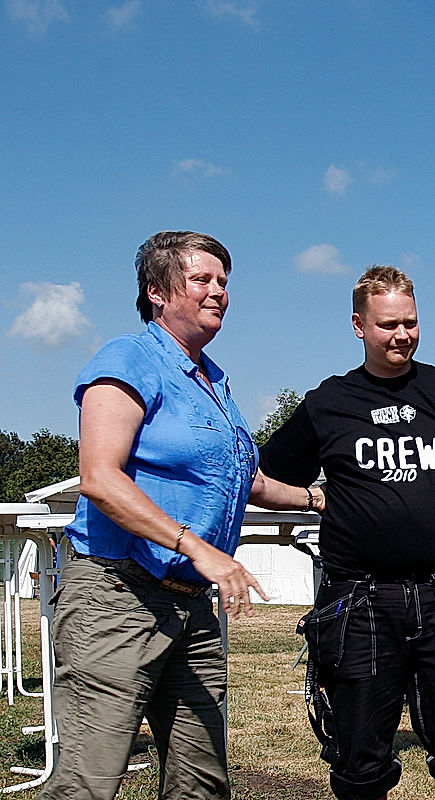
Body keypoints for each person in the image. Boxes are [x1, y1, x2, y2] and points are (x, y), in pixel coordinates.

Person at [43, 231, 324, 800]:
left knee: (201, 782)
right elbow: (100, 477)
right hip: (117, 598)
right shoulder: (127, 358)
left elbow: (246, 478)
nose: (219, 291)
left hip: (191, 607)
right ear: (156, 292)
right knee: (88, 784)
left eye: (224, 281)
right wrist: (200, 547)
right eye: (202, 279)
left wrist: (320, 499)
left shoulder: (213, 379)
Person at [258, 265, 435, 800]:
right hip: (358, 600)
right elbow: (260, 480)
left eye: (410, 322)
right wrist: (312, 497)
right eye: (387, 324)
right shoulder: (328, 403)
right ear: (359, 325)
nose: (401, 335)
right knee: (359, 759)